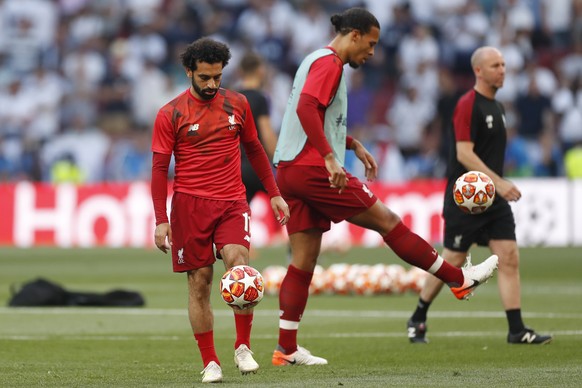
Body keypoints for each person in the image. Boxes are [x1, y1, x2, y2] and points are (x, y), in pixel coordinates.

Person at [270, 7, 499, 367]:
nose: (373, 53)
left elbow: (313, 117)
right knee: (388, 221)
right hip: (313, 168)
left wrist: (351, 144)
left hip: (289, 169)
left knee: (303, 262)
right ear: (355, 35)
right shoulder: (330, 64)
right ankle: (458, 279)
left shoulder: (313, 60)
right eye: (371, 44)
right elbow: (306, 109)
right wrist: (330, 158)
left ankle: (285, 349)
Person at [150, 37, 290, 383]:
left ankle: (243, 347)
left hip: (231, 201)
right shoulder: (170, 113)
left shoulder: (238, 104)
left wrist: (274, 192)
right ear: (189, 73)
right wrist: (161, 220)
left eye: (217, 77)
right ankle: (210, 361)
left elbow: (255, 150)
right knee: (200, 282)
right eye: (205, 78)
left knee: (239, 267)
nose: (213, 84)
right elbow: (158, 169)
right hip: (189, 206)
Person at [406, 46, 553, 345]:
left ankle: (516, 330)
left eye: (503, 64)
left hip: (492, 198)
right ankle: (418, 316)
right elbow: (463, 152)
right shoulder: (467, 105)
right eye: (495, 65)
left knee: (509, 257)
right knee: (454, 259)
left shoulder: (498, 108)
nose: (503, 69)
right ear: (478, 71)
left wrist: (497, 184)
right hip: (467, 198)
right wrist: (498, 182)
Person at [237, 51, 278, 204]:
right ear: (260, 71)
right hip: (256, 168)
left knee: (239, 217)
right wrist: (278, 160)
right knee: (285, 204)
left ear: (240, 72)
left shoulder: (233, 98)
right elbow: (266, 135)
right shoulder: (260, 98)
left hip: (236, 169)